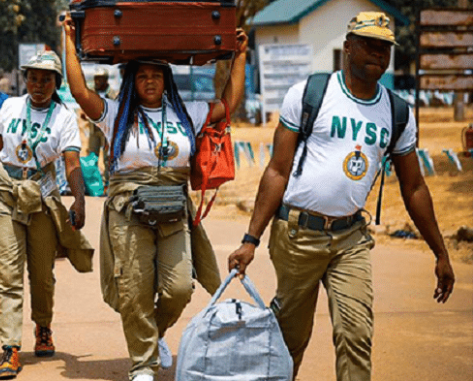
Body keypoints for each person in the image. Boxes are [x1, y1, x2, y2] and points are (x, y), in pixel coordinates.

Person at [227, 12, 456, 381]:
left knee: (356, 335)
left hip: (350, 238)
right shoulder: (309, 94)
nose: (378, 54)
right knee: (290, 339)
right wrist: (250, 240)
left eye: (385, 48)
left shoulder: (397, 113)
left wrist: (440, 253)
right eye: (369, 44)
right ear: (348, 46)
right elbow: (277, 171)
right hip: (297, 235)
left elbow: (414, 187)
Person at [64, 15, 248, 381]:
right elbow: (80, 92)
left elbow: (229, 105)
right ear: (132, 81)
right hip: (127, 211)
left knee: (180, 287)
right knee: (134, 289)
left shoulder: (187, 113)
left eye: (157, 75)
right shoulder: (115, 114)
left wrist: (241, 56)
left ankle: (153, 334)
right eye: (142, 75)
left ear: (166, 81)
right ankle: (143, 364)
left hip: (174, 208)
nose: (150, 81)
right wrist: (68, 37)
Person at [0, 50, 93, 381]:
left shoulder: (63, 117)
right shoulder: (11, 107)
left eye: (46, 79)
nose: (38, 84)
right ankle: (11, 348)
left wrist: (79, 199)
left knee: (42, 274)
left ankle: (43, 327)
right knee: (7, 272)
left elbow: (72, 163)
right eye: (33, 77)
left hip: (43, 199)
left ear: (56, 83)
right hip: (5, 193)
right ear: (25, 79)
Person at [85, 67, 117, 187]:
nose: (97, 81)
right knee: (91, 157)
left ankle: (107, 183)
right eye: (96, 79)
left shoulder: (112, 94)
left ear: (106, 80)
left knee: (107, 158)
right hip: (94, 130)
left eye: (100, 79)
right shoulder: (91, 92)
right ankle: (92, 184)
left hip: (107, 131)